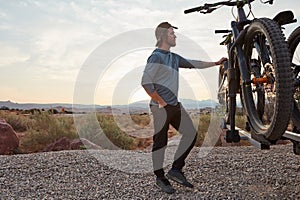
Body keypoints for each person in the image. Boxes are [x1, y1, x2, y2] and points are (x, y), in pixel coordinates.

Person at [141, 22, 227, 194]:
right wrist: (160, 102)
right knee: (160, 142)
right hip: (160, 107)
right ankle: (160, 177)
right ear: (163, 36)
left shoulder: (174, 58)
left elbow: (193, 63)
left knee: (190, 134)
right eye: (172, 33)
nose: (175, 36)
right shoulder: (156, 57)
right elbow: (145, 82)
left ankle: (176, 170)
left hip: (174, 105)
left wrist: (216, 63)